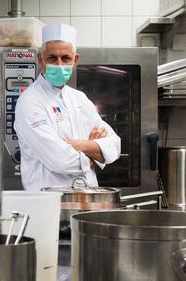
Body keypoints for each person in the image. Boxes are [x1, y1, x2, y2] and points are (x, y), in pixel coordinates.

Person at [13, 23, 121, 191]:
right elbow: (60, 161)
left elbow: (114, 145)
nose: (59, 64)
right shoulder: (29, 101)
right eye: (52, 58)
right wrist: (94, 155)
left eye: (65, 58)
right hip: (48, 201)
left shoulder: (80, 98)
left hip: (88, 198)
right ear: (40, 59)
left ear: (75, 60)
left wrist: (79, 145)